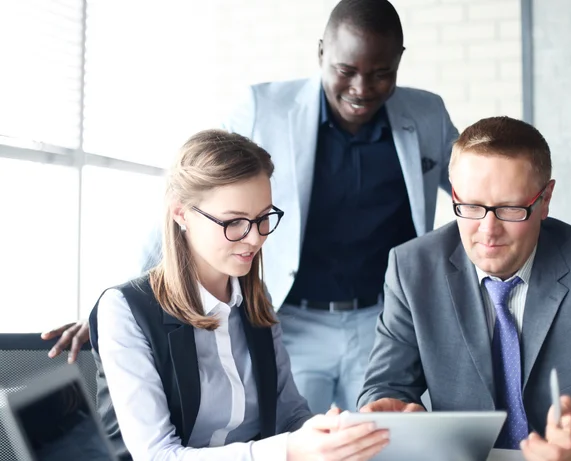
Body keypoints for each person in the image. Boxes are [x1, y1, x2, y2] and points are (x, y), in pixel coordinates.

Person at [43, 0, 458, 413]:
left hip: (380, 321)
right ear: (321, 53)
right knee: (295, 443)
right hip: (291, 319)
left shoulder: (427, 114)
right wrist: (118, 310)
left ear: (399, 61)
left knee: (388, 444)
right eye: (345, 71)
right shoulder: (263, 108)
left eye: (381, 73)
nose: (362, 88)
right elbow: (190, 196)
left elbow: (474, 192)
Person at [88, 130, 389, 460]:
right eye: (234, 223)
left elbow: (290, 416)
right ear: (181, 213)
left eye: (263, 219)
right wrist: (287, 451)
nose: (255, 239)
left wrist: (335, 436)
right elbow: (158, 455)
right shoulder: (125, 310)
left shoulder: (253, 300)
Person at [358, 116, 571, 460]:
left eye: (509, 209)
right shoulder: (413, 268)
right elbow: (386, 385)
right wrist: (390, 414)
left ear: (545, 199)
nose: (488, 231)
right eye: (470, 206)